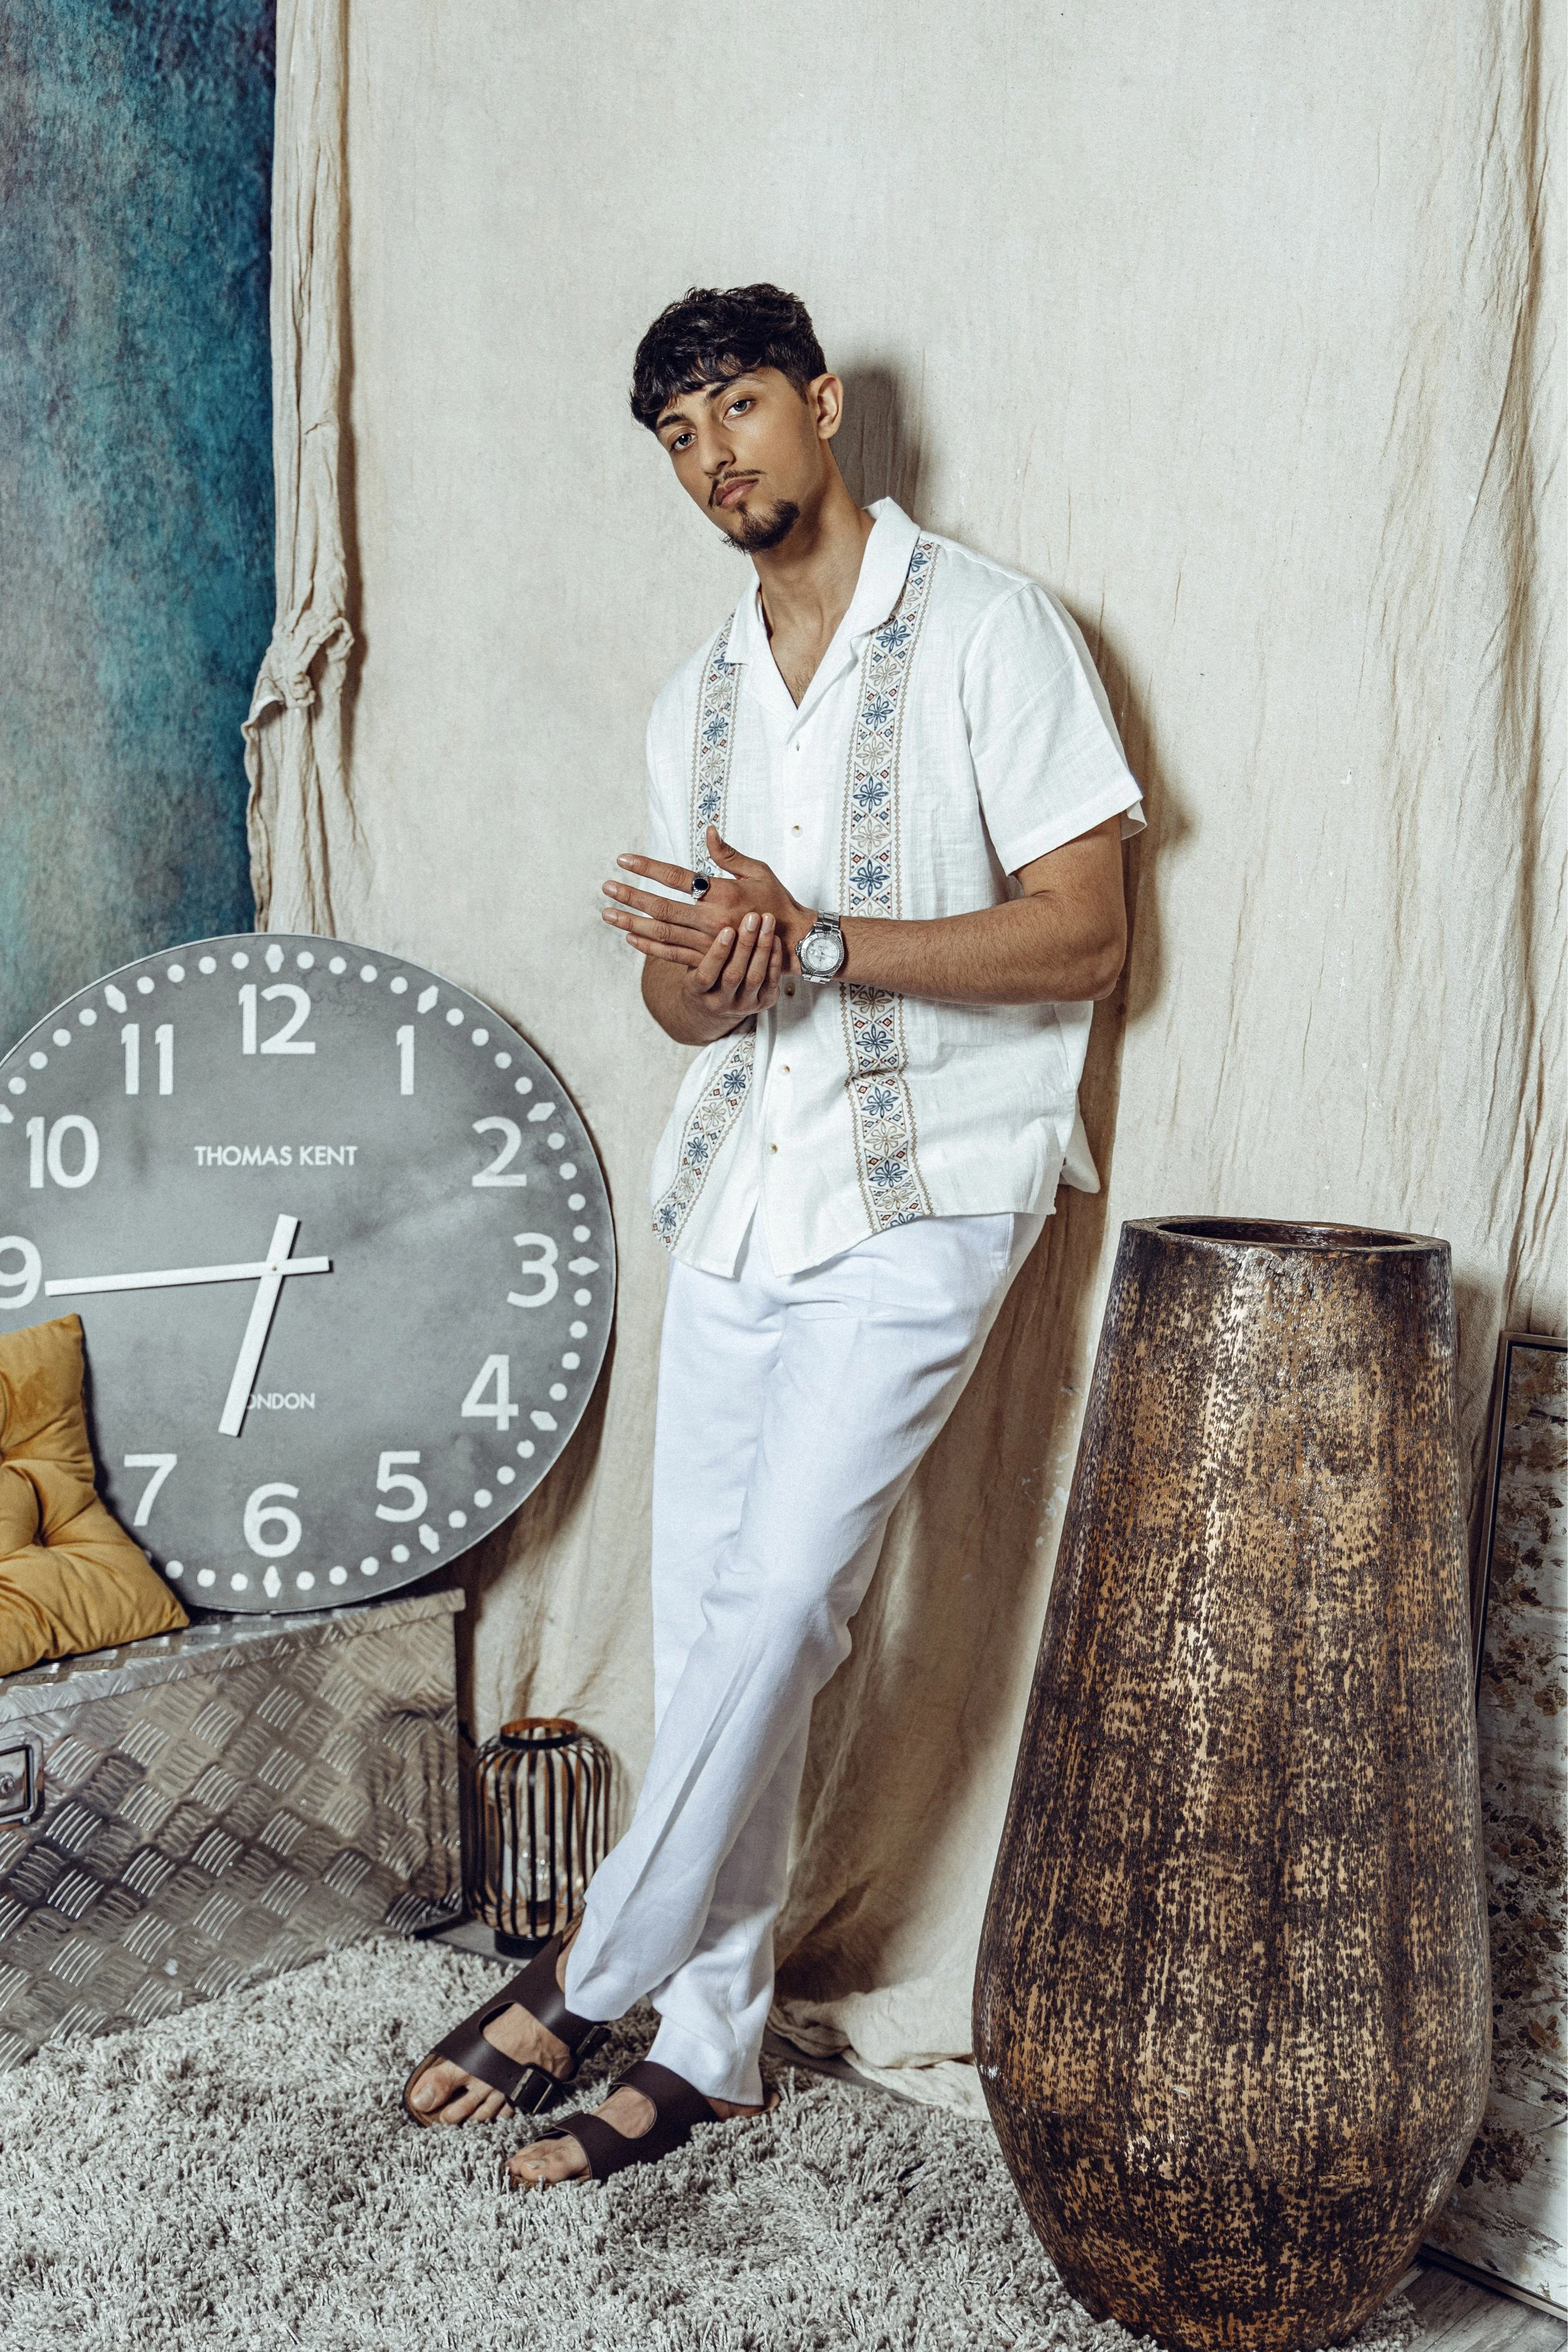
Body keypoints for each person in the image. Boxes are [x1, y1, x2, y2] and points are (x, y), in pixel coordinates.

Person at [403, 283, 1143, 2188]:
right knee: (720, 1616)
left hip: (929, 1181)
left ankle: (595, 1967)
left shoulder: (989, 628)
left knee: (794, 1591)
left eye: (735, 406)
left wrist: (811, 938)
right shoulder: (699, 700)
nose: (710, 455)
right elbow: (682, 1006)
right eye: (676, 434)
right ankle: (714, 2041)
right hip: (743, 1181)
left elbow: (1084, 933)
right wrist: (717, 968)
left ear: (819, 406)